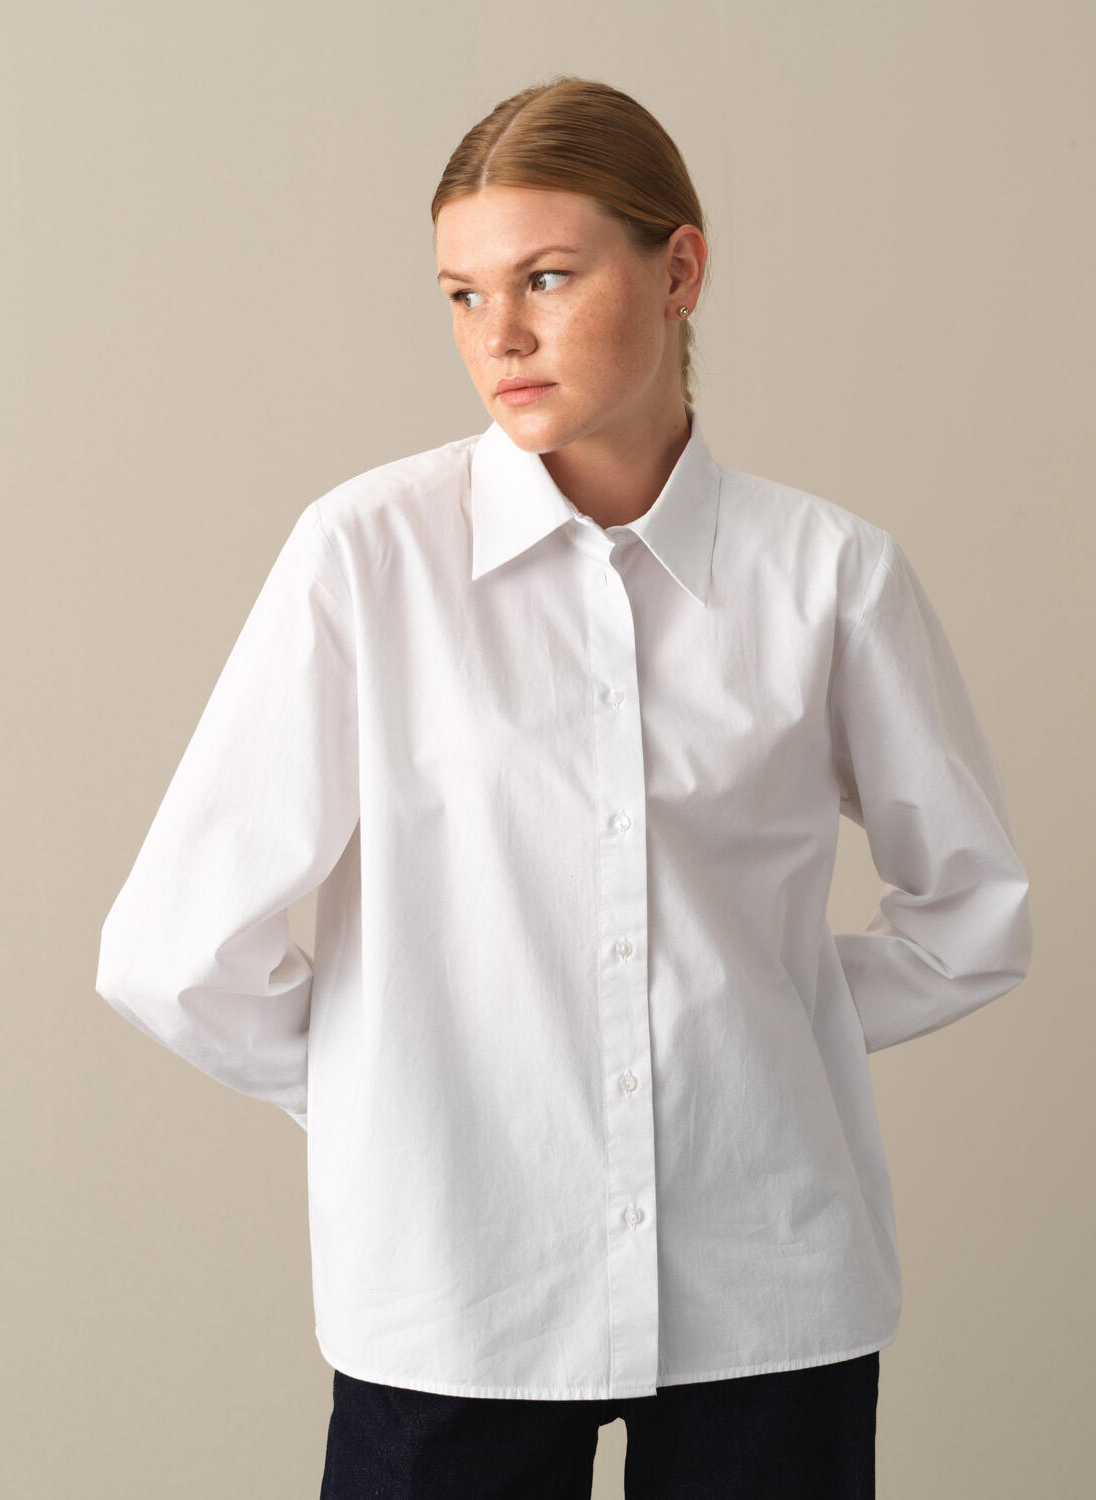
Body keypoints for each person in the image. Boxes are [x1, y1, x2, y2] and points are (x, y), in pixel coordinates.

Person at [95, 76, 1033, 1499]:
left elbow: (974, 913)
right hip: (456, 1285)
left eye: (545, 278)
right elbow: (170, 952)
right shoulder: (365, 557)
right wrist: (392, 1088)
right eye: (463, 295)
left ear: (680, 270)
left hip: (768, 1287)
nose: (501, 337)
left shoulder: (828, 576)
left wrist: (758, 1020)